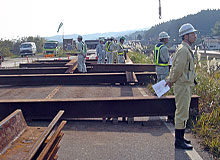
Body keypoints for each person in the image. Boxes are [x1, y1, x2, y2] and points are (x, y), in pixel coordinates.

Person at [166, 23, 197, 150]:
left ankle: (181, 138)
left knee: (183, 113)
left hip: (186, 85)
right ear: (185, 36)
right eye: (192, 34)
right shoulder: (184, 50)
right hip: (183, 86)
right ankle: (178, 142)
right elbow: (178, 69)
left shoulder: (185, 49)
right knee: (181, 113)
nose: (195, 36)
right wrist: (170, 81)